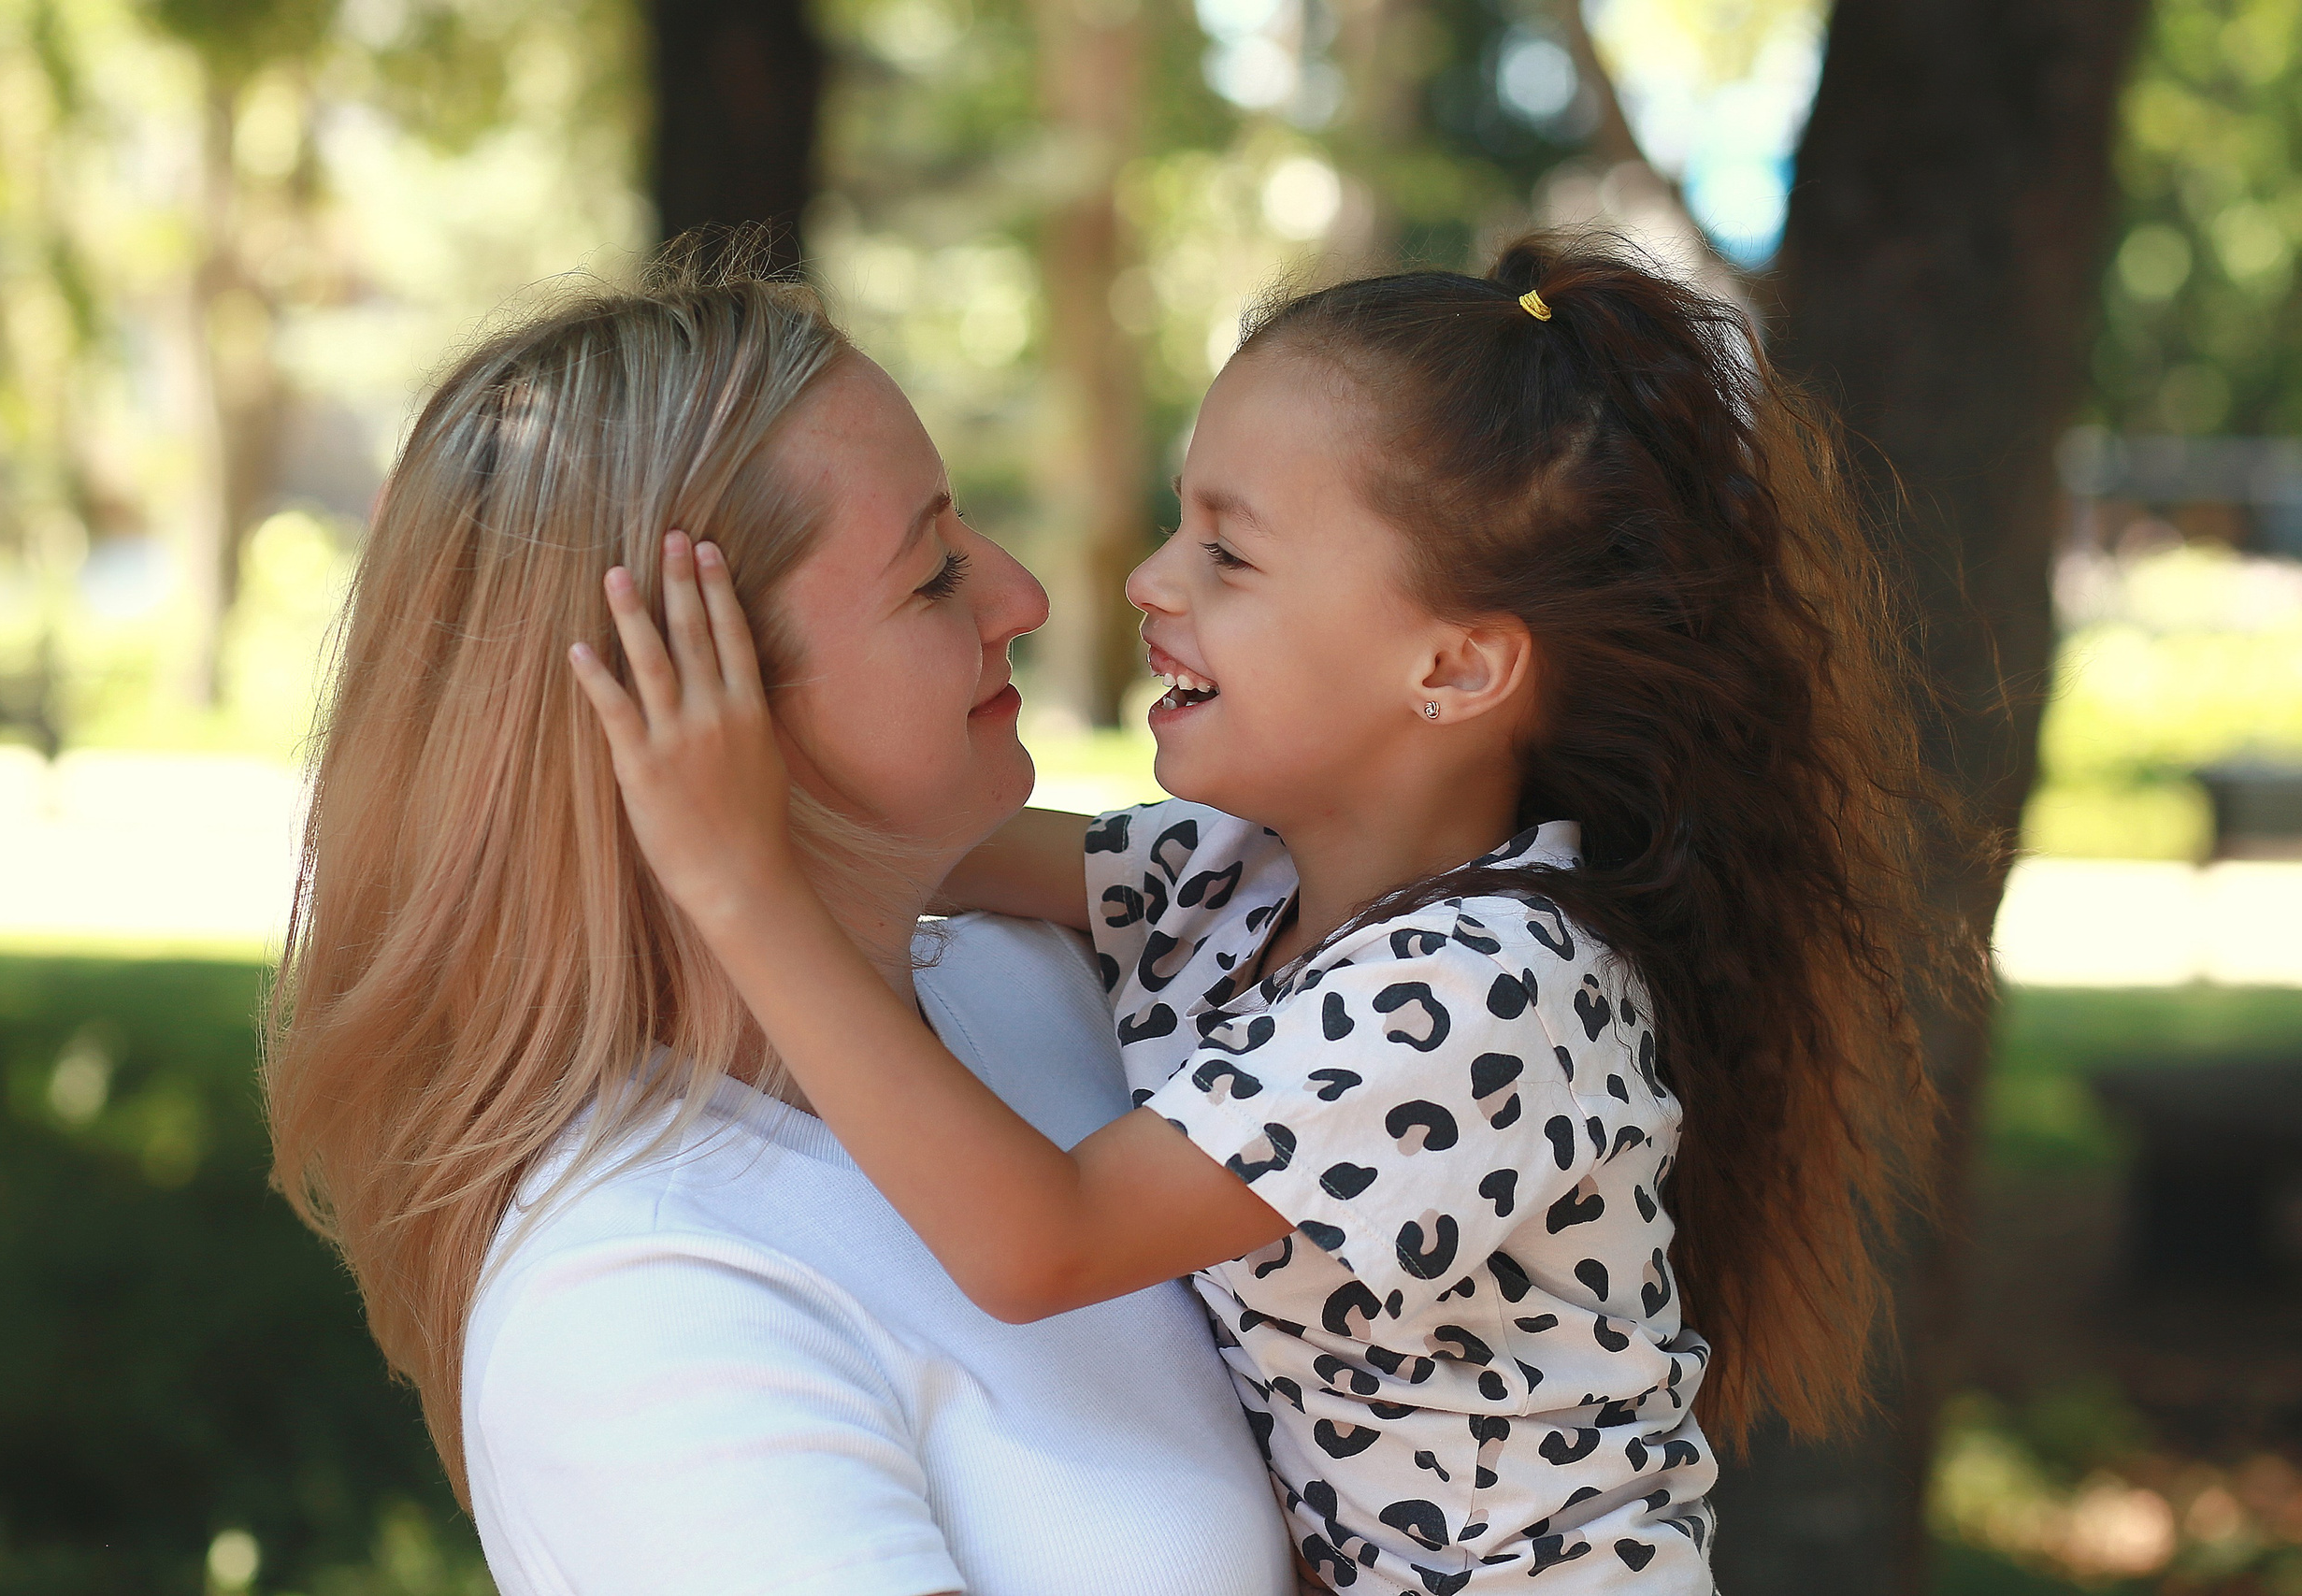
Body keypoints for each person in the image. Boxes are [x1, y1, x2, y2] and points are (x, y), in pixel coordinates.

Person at [569, 233, 1978, 1593]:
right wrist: (742, 735)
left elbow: (1038, 1239)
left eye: (1228, 557)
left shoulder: (1485, 990)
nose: (1143, 582)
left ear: (1455, 663)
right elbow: (907, 834)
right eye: (1181, 523)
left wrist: (737, 883)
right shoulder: (1236, 881)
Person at [262, 250, 1297, 1596]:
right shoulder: (641, 1301)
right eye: (932, 577)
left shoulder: (1039, 986)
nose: (1023, 598)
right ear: (695, 711)